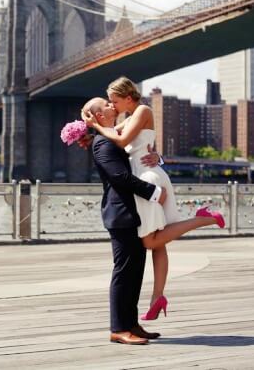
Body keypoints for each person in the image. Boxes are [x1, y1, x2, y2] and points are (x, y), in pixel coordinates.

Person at [82, 77, 224, 321]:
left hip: (147, 179)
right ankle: (158, 296)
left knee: (149, 241)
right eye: (110, 103)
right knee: (158, 241)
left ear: (128, 97)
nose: (113, 106)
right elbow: (123, 143)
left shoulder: (142, 110)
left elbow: (123, 141)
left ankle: (204, 219)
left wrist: (96, 127)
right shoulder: (126, 120)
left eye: (114, 101)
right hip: (145, 174)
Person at [76, 97, 165, 345]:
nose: (110, 105)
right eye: (105, 104)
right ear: (97, 116)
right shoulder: (103, 143)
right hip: (120, 214)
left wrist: (157, 158)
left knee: (136, 270)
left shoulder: (114, 136)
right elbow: (120, 176)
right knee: (124, 272)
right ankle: (118, 328)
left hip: (132, 213)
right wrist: (154, 193)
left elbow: (139, 157)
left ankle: (131, 323)